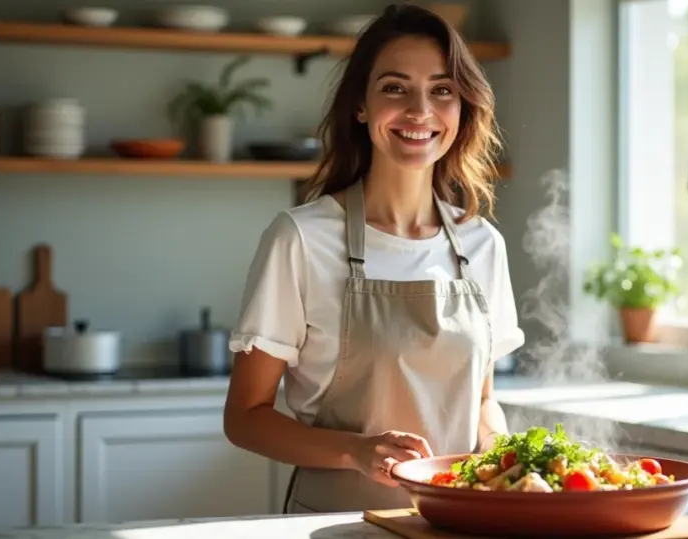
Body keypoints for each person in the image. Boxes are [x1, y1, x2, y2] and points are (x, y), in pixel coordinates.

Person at [222, 3, 525, 514]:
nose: (420, 111)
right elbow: (245, 416)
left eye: (441, 90)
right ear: (360, 106)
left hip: (458, 522)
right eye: (394, 88)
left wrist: (508, 461)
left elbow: (479, 401)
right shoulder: (301, 238)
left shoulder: (480, 245)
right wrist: (355, 450)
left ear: (461, 107)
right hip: (334, 523)